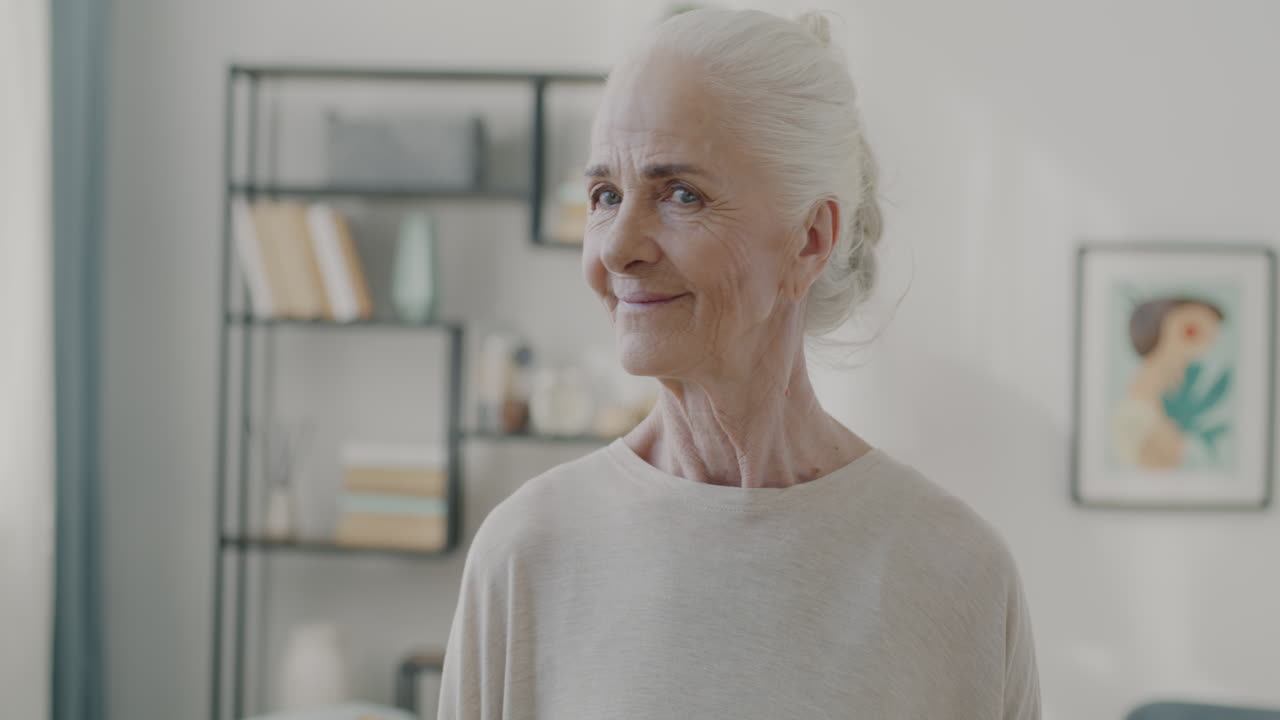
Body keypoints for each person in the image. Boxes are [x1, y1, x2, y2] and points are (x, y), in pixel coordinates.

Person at [439, 8, 1041, 718]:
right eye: (605, 195)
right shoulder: (526, 554)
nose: (616, 246)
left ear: (811, 240)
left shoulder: (957, 574)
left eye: (680, 194)